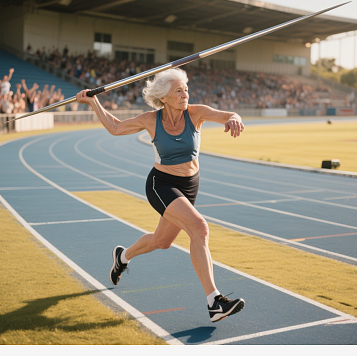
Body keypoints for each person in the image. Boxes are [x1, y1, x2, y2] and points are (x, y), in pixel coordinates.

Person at [76, 68, 246, 323]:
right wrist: (93, 101)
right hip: (161, 184)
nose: (184, 94)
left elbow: (227, 114)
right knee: (199, 228)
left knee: (161, 241)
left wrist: (234, 118)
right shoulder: (151, 120)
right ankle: (214, 302)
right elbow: (115, 127)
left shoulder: (196, 113)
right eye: (178, 90)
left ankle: (122, 257)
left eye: (186, 89)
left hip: (190, 185)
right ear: (164, 97)